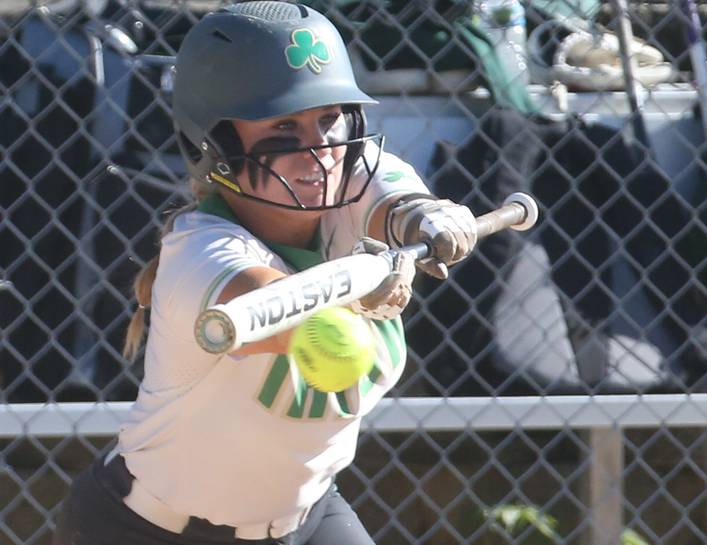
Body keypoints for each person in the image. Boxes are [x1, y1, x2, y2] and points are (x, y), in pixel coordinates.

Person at [53, 2, 478, 545]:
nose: (320, 151)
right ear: (216, 146)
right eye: (284, 127)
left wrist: (428, 219)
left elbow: (395, 199)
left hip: (305, 520)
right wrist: (365, 287)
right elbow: (270, 309)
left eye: (329, 118)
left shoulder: (347, 182)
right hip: (148, 529)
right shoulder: (199, 250)